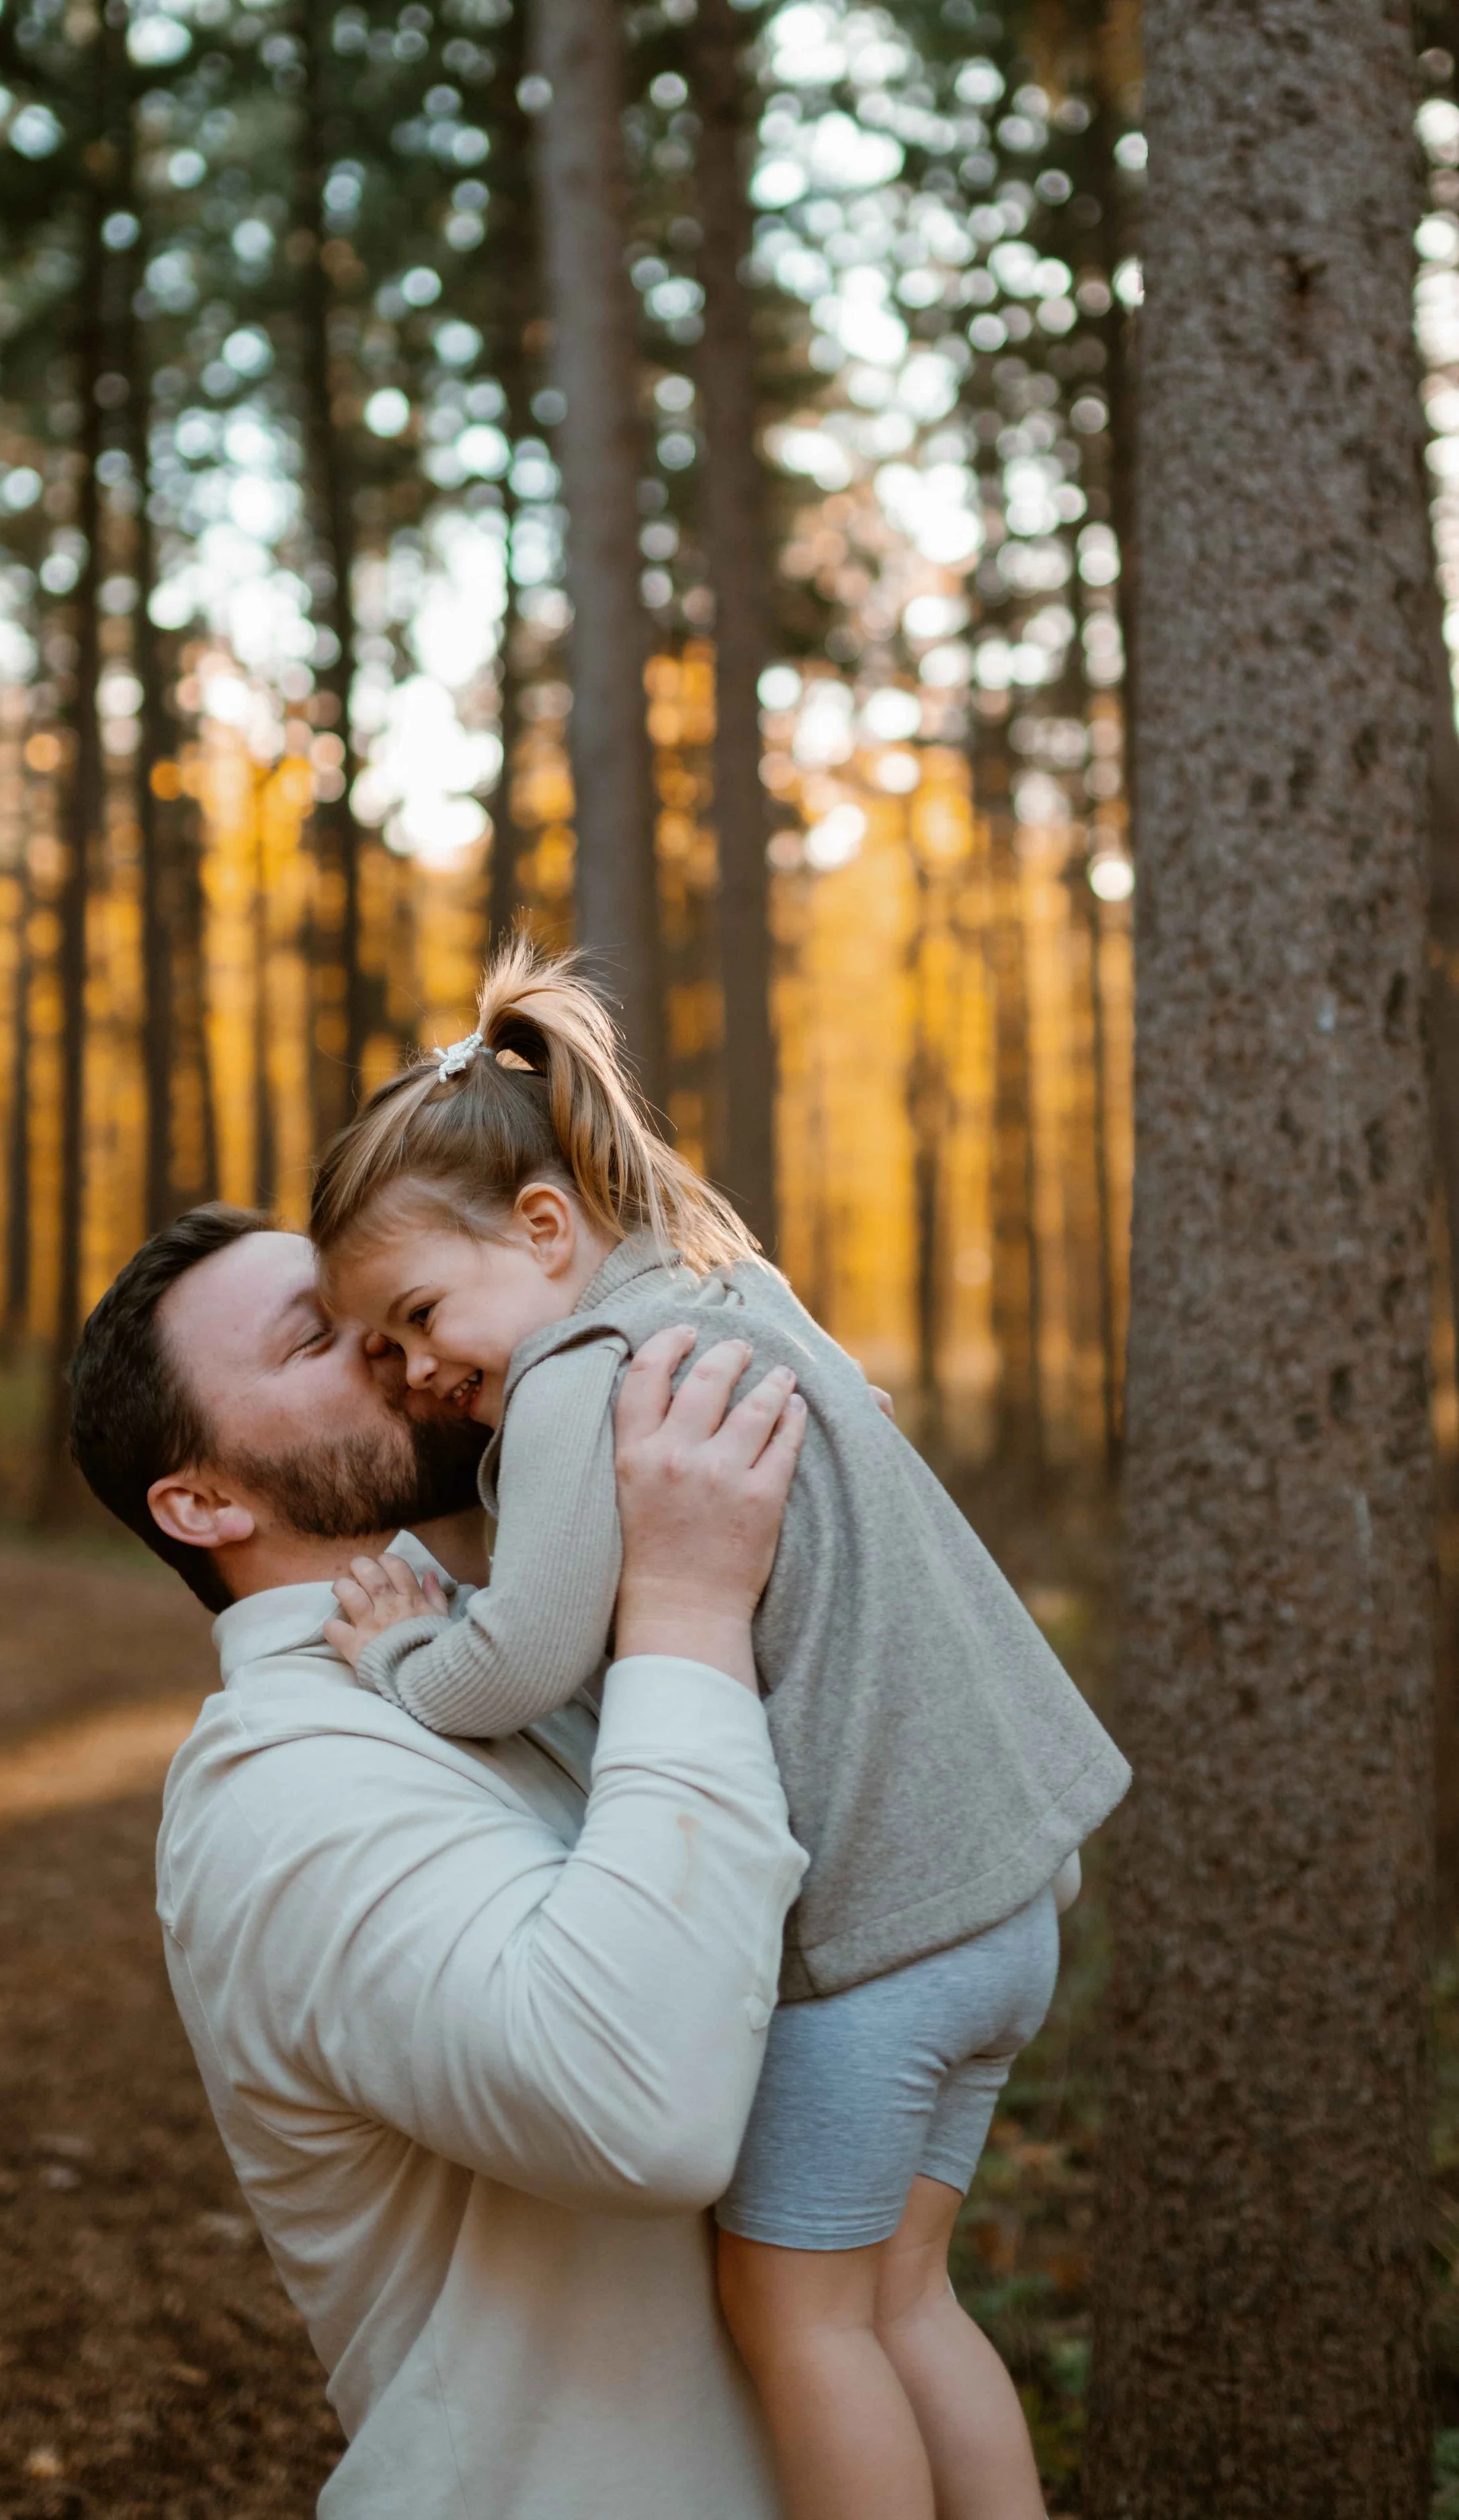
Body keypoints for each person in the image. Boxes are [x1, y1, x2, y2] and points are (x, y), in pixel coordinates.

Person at [307, 939, 1132, 2520]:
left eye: (417, 1316)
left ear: (544, 1227)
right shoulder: (728, 1283)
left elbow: (524, 1657)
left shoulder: (578, 1375)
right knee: (902, 2302)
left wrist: (403, 1658)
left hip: (870, 1949)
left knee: (798, 2316)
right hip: (1003, 1905)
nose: (417, 1374)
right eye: (382, 1357)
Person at [66, 1204, 812, 2520]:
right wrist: (690, 1611)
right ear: (202, 1500)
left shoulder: (504, 1651)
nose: (389, 1338)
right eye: (318, 1338)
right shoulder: (277, 1784)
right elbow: (636, 2109)